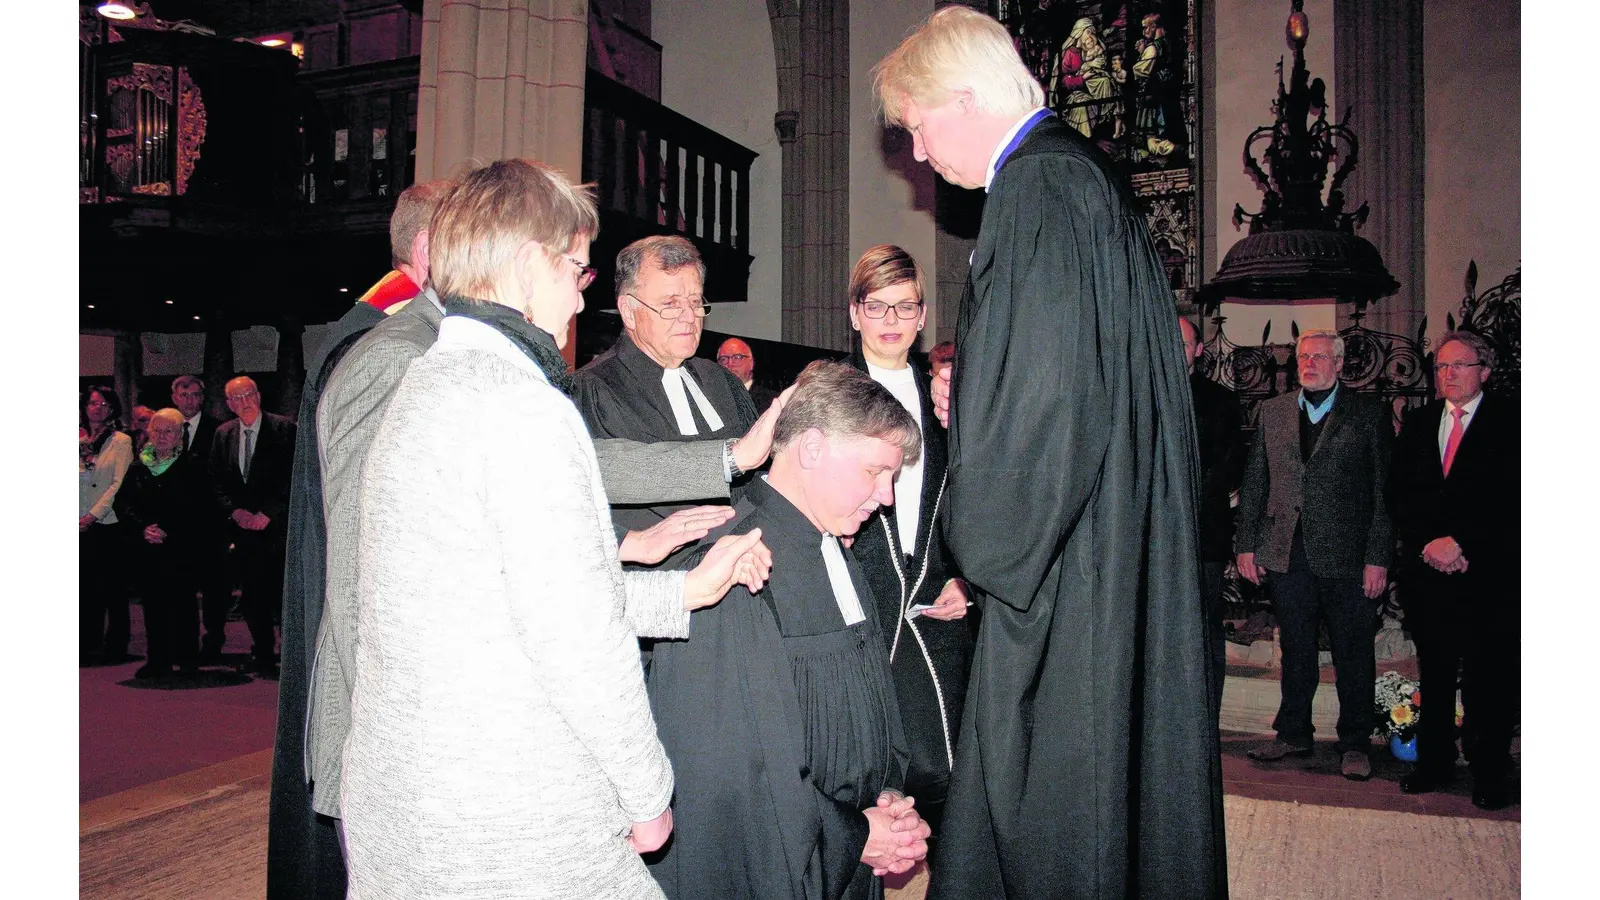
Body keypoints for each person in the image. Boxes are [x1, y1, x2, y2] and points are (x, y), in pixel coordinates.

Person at [269, 181, 791, 900]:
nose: (582, 299)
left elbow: (489, 589)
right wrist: (646, 790)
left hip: (426, 803)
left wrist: (681, 589)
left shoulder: (432, 381)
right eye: (576, 269)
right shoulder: (516, 404)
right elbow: (572, 633)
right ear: (525, 265)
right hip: (501, 805)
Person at [873, 7, 1226, 896]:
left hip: (1065, 577)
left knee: (1052, 813)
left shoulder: (1035, 191)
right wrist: (982, 393)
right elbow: (1076, 384)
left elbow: (1043, 421)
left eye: (918, 127)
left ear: (963, 97)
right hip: (1103, 543)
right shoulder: (1079, 178)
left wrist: (975, 545)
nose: (918, 154)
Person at [647, 360, 932, 900]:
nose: (887, 496)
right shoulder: (733, 563)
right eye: (875, 472)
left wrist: (889, 800)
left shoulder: (835, 548)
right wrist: (855, 833)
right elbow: (736, 779)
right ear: (812, 448)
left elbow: (868, 697)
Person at [843, 244, 971, 840]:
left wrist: (964, 576)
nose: (891, 321)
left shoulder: (951, 399)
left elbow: (969, 499)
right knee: (858, 778)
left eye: (905, 307)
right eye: (877, 306)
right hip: (856, 608)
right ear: (855, 314)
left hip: (930, 604)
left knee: (945, 774)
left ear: (923, 317)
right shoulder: (828, 391)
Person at [1237, 329, 1393, 780]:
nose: (1309, 364)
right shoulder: (1274, 411)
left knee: (1352, 653)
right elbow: (1255, 483)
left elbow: (1385, 494)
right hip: (1288, 552)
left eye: (1320, 357)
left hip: (1349, 558)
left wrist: (1378, 557)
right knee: (1297, 649)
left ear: (1340, 364)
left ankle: (1355, 743)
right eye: (1304, 357)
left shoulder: (1367, 414)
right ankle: (1293, 733)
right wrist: (1246, 543)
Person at [574, 235, 761, 570]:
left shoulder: (723, 382)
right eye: (671, 304)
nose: (689, 317)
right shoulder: (594, 389)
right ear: (629, 311)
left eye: (695, 301)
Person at [1391, 331, 1519, 810]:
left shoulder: (1514, 422)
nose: (1447, 375)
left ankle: (1489, 772)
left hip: (1489, 573)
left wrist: (1462, 542)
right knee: (1437, 674)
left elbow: (1514, 499)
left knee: (1491, 678)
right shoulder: (1421, 422)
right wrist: (1429, 542)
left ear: (1484, 370)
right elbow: (1399, 494)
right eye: (1441, 366)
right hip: (1430, 575)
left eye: (1459, 366)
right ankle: (1434, 764)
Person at [208, 375, 296, 675]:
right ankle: (262, 653)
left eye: (249, 394)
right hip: (242, 531)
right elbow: (216, 482)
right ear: (229, 404)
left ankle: (291, 655)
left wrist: (268, 513)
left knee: (282, 595)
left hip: (277, 529)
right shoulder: (223, 434)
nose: (245, 402)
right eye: (237, 398)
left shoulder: (285, 429)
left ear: (258, 395)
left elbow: (293, 477)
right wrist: (235, 513)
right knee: (252, 598)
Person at [1180, 315, 1245, 720]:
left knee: (1203, 631)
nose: (1175, 348)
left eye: (1184, 343)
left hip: (1202, 534)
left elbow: (1227, 467)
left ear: (1199, 351)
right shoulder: (1137, 393)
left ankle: (1205, 720)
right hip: (1148, 539)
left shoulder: (1220, 401)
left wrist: (1181, 499)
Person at [116, 408, 211, 679]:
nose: (162, 436)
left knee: (184, 606)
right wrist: (143, 528)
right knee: (153, 606)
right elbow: (123, 503)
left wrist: (170, 531)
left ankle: (188, 660)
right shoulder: (138, 467)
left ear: (180, 435)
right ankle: (157, 660)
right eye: (156, 430)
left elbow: (201, 509)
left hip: (181, 548)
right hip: (148, 548)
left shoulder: (193, 465)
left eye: (169, 431)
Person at [80, 386, 135, 665]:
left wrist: (93, 514)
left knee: (112, 588)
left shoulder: (121, 440)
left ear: (112, 409)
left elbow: (119, 483)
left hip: (107, 522)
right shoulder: (75, 439)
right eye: (92, 403)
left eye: (104, 404)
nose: (97, 408)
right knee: (83, 588)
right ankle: (85, 644)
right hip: (77, 524)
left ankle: (116, 646)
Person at [717, 336, 780, 413]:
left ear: (751, 363)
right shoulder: (711, 398)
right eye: (723, 359)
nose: (730, 364)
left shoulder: (772, 402)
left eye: (737, 357)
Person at [171, 375, 220, 457]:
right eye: (184, 395)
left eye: (195, 395)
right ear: (174, 399)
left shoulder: (217, 429)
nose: (189, 401)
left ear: (202, 398)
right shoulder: (164, 427)